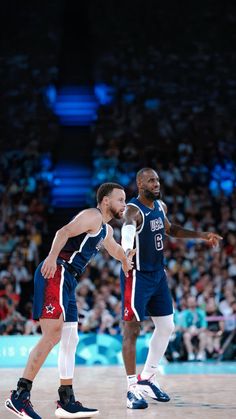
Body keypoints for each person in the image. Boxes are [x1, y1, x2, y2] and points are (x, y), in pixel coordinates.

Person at [5, 182, 135, 419]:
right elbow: (62, 232)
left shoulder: (105, 230)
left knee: (70, 337)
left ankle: (66, 400)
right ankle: (19, 396)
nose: (124, 204)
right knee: (53, 334)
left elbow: (115, 250)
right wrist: (51, 259)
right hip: (57, 271)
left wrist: (125, 259)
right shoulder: (92, 216)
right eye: (120, 199)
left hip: (69, 280)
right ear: (106, 200)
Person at [120, 167, 223, 409]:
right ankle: (131, 387)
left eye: (157, 179)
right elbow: (126, 227)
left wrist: (201, 235)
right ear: (139, 183)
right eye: (151, 181)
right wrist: (125, 250)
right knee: (131, 330)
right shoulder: (134, 209)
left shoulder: (160, 206)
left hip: (158, 275)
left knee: (167, 326)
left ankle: (147, 377)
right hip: (137, 275)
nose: (156, 184)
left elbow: (171, 229)